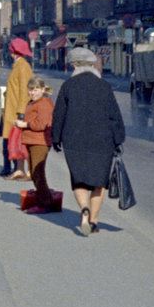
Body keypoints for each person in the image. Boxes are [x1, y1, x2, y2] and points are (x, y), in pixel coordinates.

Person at [52, 46, 126, 235]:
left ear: (74, 65)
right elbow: (114, 115)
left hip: (74, 140)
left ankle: (83, 209)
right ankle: (93, 220)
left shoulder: (68, 86)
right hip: (102, 141)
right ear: (92, 64)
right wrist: (119, 139)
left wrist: (56, 138)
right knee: (98, 182)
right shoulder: (104, 86)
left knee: (79, 180)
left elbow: (59, 114)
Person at [16, 76, 56, 213]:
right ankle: (45, 199)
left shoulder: (44, 103)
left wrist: (24, 124)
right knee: (34, 172)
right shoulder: (34, 102)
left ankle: (44, 203)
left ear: (43, 89)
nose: (33, 93)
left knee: (38, 172)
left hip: (40, 141)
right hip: (33, 140)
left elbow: (41, 124)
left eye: (36, 90)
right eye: (31, 90)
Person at [0, 36, 34, 180]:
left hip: (15, 111)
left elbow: (25, 91)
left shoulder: (23, 67)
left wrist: (21, 111)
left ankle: (16, 169)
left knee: (14, 142)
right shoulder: (18, 66)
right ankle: (8, 168)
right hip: (10, 110)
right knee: (7, 141)